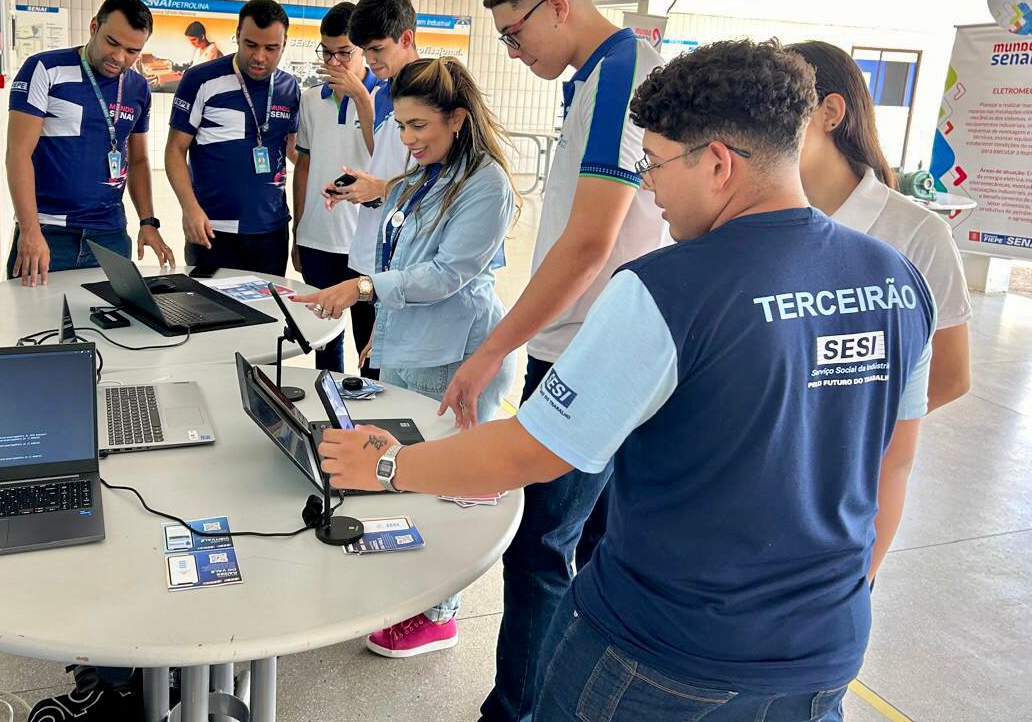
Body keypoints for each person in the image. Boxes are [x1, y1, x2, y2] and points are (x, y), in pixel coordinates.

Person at [319, 39, 935, 722]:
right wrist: (836, 602)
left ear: (720, 163)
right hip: (826, 651)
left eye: (655, 163)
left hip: (664, 654)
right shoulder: (895, 278)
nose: (647, 185)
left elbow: (532, 449)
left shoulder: (668, 289)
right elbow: (895, 463)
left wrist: (389, 465)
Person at [436, 0, 668, 722]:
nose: (512, 49)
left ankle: (518, 712)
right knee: (593, 548)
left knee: (541, 549)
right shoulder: (595, 79)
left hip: (591, 355)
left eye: (513, 33)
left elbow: (590, 242)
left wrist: (493, 348)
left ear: (558, 5)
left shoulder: (623, 73)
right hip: (591, 343)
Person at [296, 56, 520, 658]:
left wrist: (365, 290)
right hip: (412, 341)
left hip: (455, 350)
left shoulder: (486, 185)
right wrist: (382, 331)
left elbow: (447, 273)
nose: (408, 139)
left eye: (419, 126)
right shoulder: (429, 175)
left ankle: (438, 615)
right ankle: (410, 592)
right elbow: (405, 258)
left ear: (458, 119)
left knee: (442, 478)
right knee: (406, 467)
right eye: (401, 126)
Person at [791, 40, 972, 578]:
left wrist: (857, 436)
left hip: (850, 490)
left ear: (831, 112)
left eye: (784, 111)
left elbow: (952, 373)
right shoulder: (751, 220)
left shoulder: (916, 233)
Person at [6, 0, 175, 285]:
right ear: (94, 26)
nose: (120, 58)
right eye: (112, 43)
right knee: (34, 326)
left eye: (132, 51)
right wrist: (30, 230)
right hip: (49, 233)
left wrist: (148, 222)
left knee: (114, 326)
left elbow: (138, 159)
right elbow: (18, 154)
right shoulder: (45, 69)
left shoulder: (137, 87)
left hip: (110, 236)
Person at [321, 0, 423, 377]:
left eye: (378, 49)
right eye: (366, 51)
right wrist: (355, 188)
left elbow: (447, 185)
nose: (370, 60)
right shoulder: (383, 92)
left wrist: (381, 190)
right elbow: (384, 160)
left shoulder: (432, 91)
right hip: (369, 255)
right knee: (370, 376)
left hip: (407, 262)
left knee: (395, 381)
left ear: (406, 38)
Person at [166, 0, 300, 276]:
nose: (260, 56)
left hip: (270, 231)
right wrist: (189, 209)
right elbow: (175, 150)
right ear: (237, 35)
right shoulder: (199, 79)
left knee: (268, 315)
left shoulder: (289, 88)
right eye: (251, 45)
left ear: (284, 45)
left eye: (271, 48)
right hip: (211, 229)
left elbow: (295, 150)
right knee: (207, 314)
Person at [291, 2, 379, 371]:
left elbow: (382, 160)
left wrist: (361, 97)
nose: (334, 63)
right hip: (318, 238)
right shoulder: (311, 100)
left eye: (345, 53)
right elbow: (304, 165)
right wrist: (299, 230)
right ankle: (333, 419)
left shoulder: (384, 98)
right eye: (327, 53)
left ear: (363, 50)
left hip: (364, 244)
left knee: (371, 347)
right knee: (325, 345)